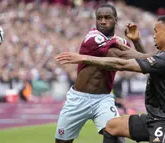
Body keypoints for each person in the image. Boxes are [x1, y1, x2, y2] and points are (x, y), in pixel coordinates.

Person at [56, 15, 165, 143]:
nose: (154, 35)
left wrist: (84, 58)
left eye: (156, 31)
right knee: (111, 126)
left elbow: (122, 64)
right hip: (153, 118)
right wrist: (136, 41)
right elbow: (148, 61)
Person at [55, 4, 150, 143]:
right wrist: (159, 56)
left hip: (103, 100)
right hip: (78, 99)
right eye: (99, 18)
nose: (103, 21)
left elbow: (144, 64)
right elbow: (141, 59)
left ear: (115, 20)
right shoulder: (92, 38)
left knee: (118, 135)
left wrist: (136, 40)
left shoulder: (120, 42)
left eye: (107, 18)